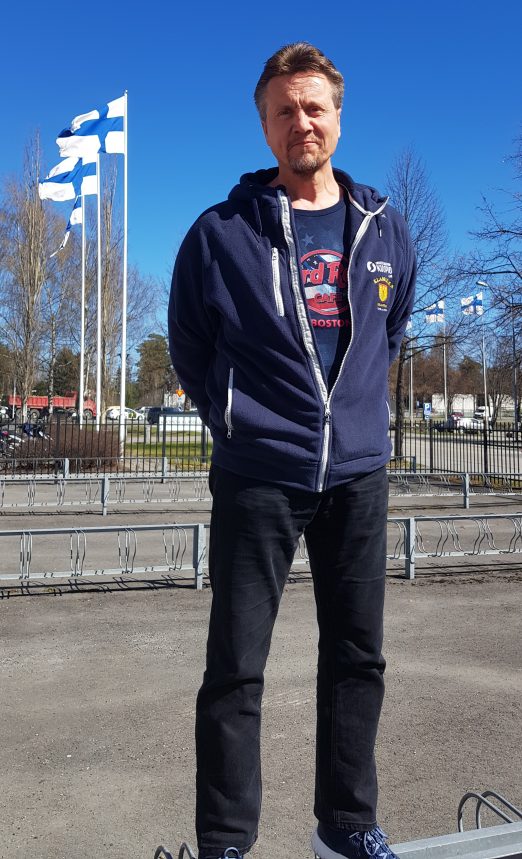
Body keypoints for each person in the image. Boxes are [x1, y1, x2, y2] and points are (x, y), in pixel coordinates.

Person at [167, 42, 416, 859]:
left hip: (358, 477)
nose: (300, 121)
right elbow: (191, 345)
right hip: (258, 475)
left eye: (313, 107)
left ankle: (345, 825)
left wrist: (358, 419)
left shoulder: (384, 229)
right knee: (236, 666)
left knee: (358, 657)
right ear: (265, 126)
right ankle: (225, 841)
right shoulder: (219, 235)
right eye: (284, 110)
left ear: (337, 116)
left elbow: (389, 332)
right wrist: (238, 419)